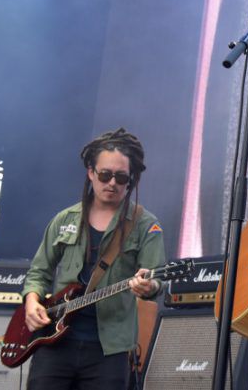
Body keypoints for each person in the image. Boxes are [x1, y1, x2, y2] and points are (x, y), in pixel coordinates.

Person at [21, 128, 166, 389]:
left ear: (130, 180)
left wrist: (149, 285)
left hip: (109, 350)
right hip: (54, 343)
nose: (112, 183)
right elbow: (38, 273)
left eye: (121, 177)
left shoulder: (146, 225)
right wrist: (32, 303)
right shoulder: (64, 220)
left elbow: (157, 279)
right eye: (105, 174)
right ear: (91, 173)